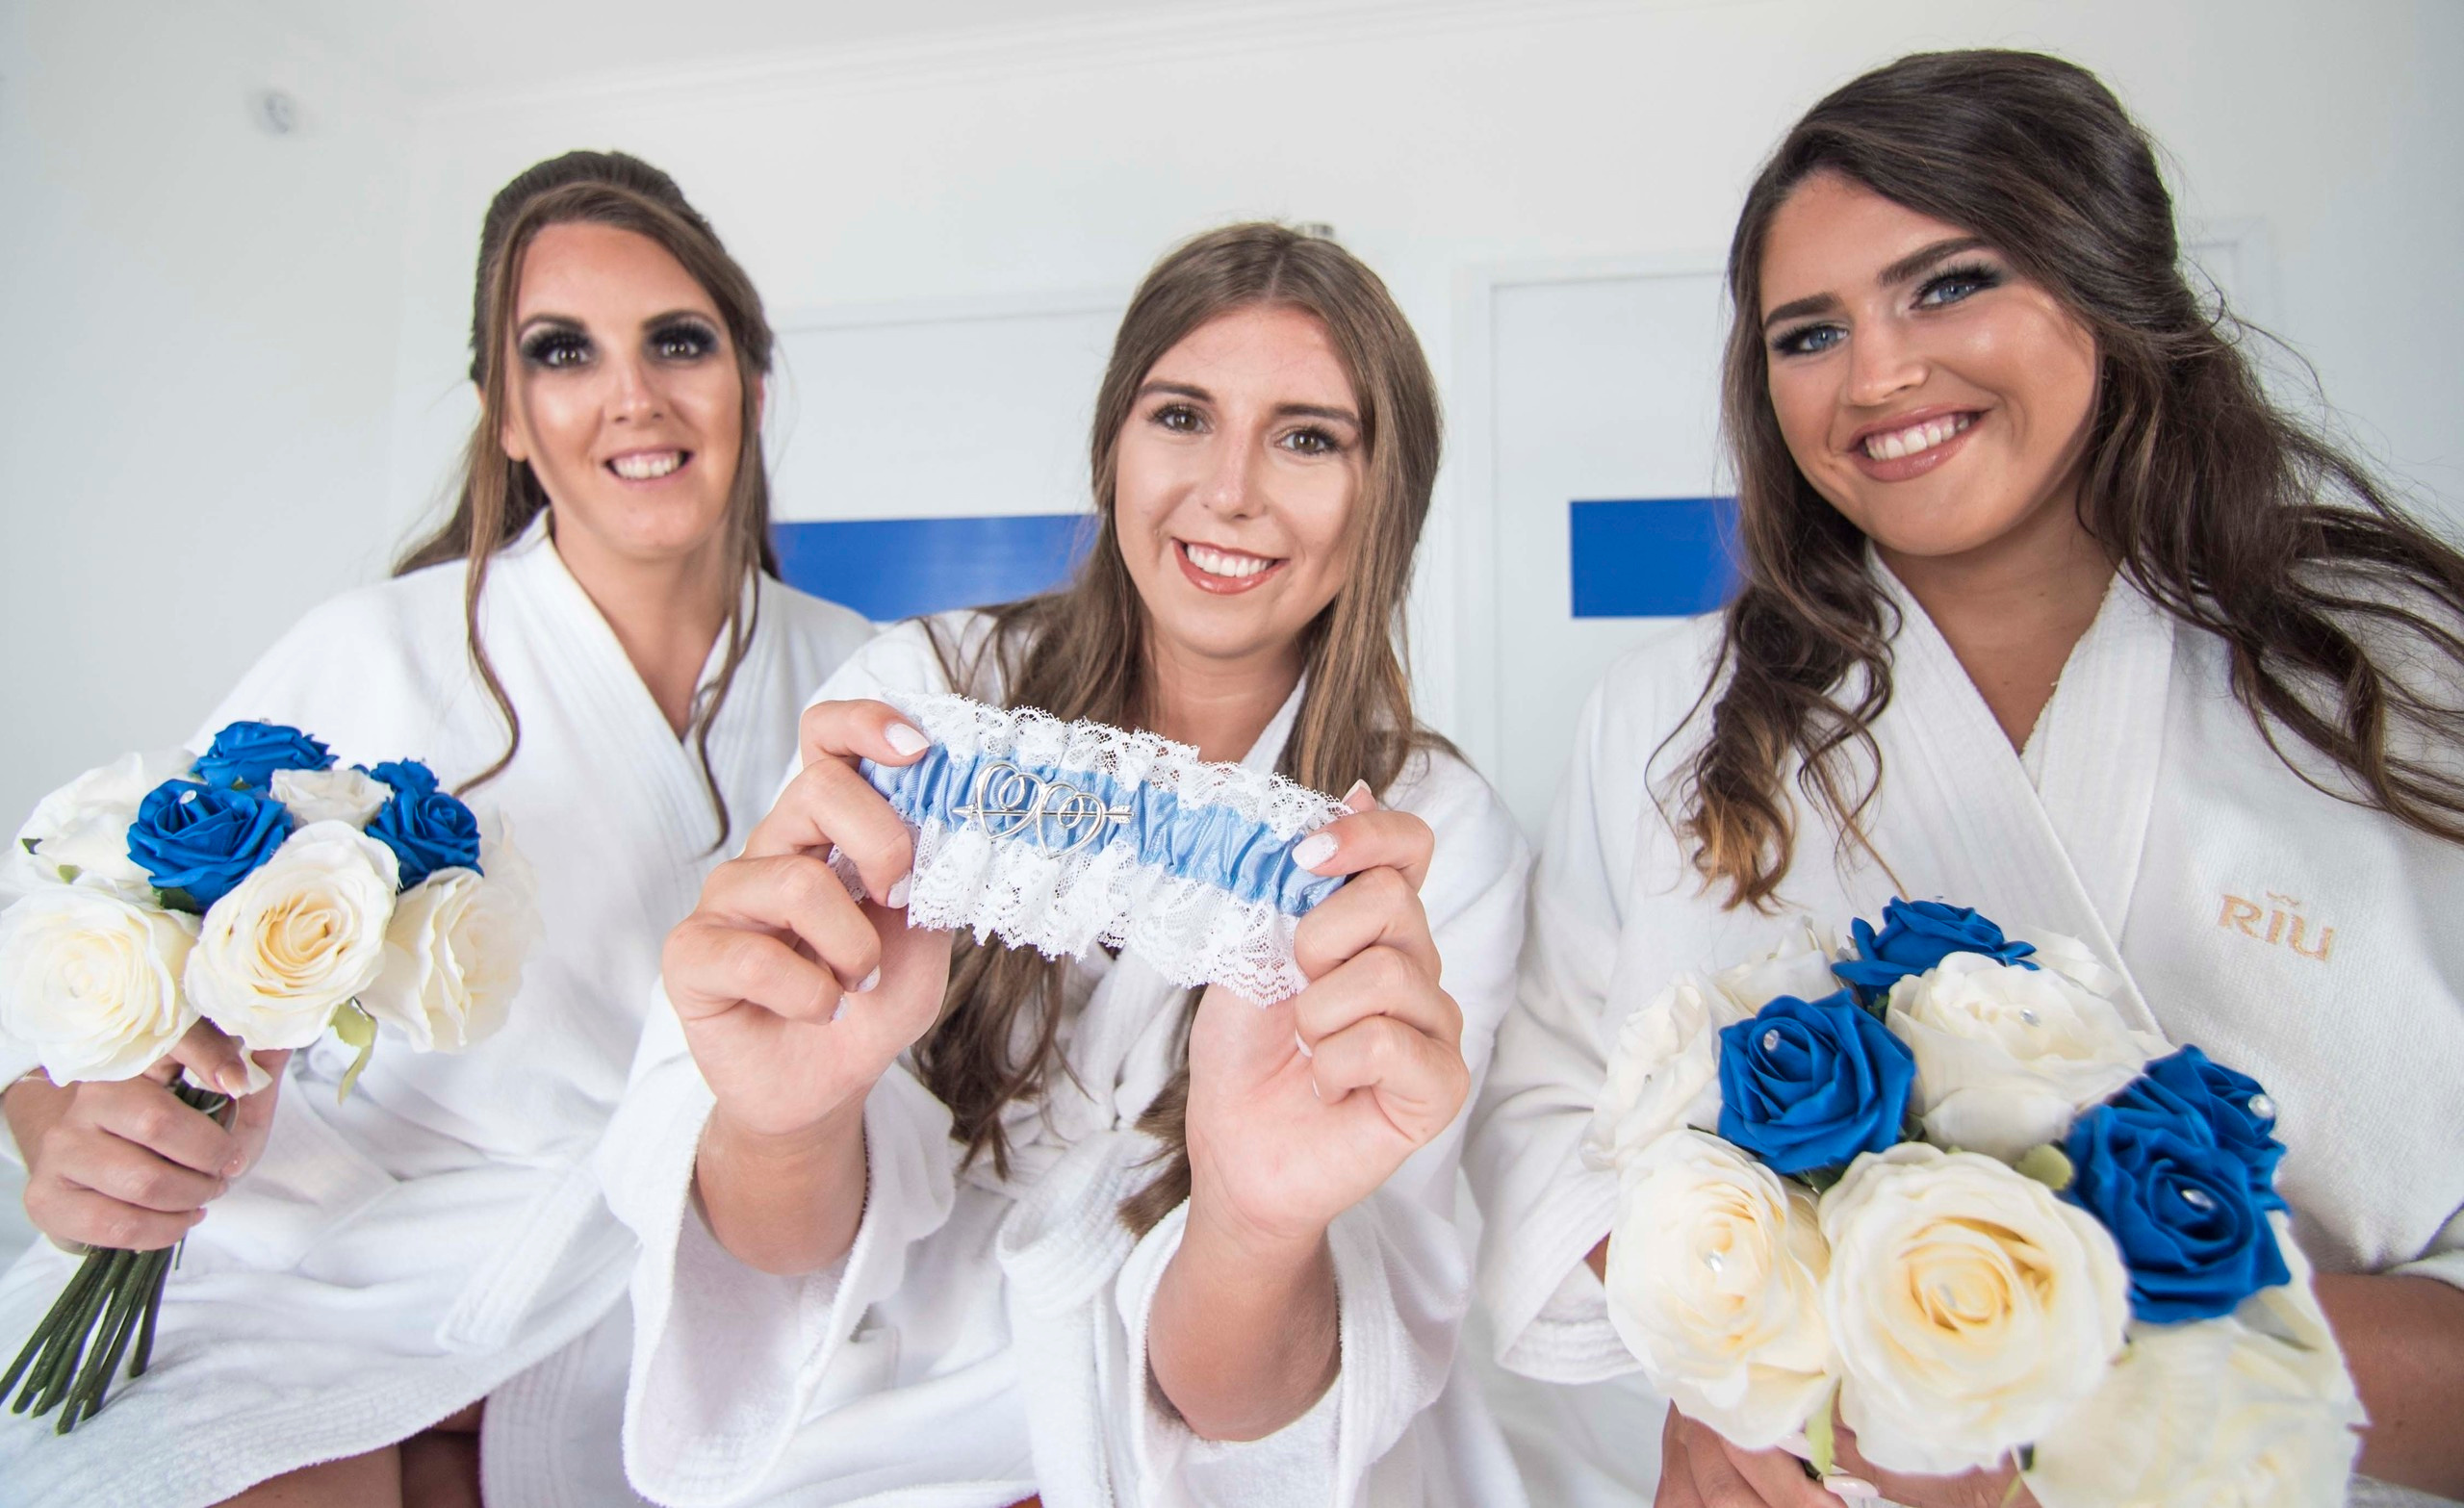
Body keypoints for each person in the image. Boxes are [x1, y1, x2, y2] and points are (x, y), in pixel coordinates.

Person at [1468, 49, 2464, 1508]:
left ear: (2113, 283)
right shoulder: (1672, 714)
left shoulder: (2404, 685)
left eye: (1948, 285)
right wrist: (1725, 1378)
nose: (1876, 375)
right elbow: (1548, 1119)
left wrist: (2076, 1375)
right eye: (1807, 332)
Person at [600, 221, 1532, 1505]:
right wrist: (788, 1116)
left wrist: (1257, 1223)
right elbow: (767, 1254)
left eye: (1310, 436)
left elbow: (1268, 1398)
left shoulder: (1430, 842)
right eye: (1181, 417)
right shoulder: (916, 705)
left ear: (1391, 493)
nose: (1231, 491)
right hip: (875, 1402)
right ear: (1110, 448)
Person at [0, 150, 875, 1506]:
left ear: (750, 385)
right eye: (564, 353)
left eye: (679, 342)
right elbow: (77, 970)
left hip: (664, 1275)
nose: (634, 395)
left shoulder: (877, 679)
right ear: (507, 419)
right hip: (330, 1264)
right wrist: (73, 1129)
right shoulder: (370, 658)